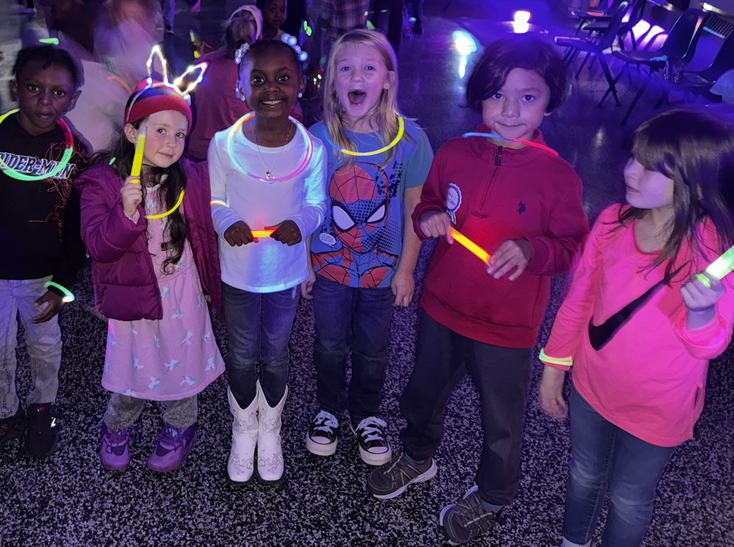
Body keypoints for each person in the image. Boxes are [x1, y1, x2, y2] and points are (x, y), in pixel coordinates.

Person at [365, 37, 589, 545]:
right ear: (479, 97)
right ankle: (417, 457)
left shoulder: (559, 178)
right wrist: (430, 218)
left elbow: (573, 246)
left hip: (507, 327)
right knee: (422, 394)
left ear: (550, 100)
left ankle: (491, 498)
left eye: (527, 98)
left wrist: (533, 251)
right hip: (441, 307)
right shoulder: (455, 151)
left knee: (501, 422)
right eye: (496, 96)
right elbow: (427, 205)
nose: (509, 111)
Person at [539, 107, 734, 547]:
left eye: (651, 168)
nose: (630, 171)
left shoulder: (715, 251)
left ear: (695, 183)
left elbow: (712, 344)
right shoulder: (611, 222)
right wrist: (554, 365)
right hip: (592, 385)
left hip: (659, 406)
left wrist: (702, 313)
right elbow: (578, 301)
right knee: (583, 473)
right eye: (633, 158)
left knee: (629, 497)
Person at [0, 46, 90, 463]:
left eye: (59, 93)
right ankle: (2, 412)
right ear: (15, 89)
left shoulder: (76, 154)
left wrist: (63, 282)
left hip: (42, 278)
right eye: (34, 88)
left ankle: (42, 406)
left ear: (74, 98)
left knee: (45, 347)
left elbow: (78, 226)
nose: (46, 101)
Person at [78, 83, 224, 474]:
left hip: (183, 295)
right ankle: (117, 425)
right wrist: (123, 215)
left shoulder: (189, 177)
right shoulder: (103, 183)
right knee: (133, 369)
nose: (171, 142)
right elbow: (96, 245)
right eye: (159, 130)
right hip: (134, 298)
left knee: (182, 366)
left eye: (179, 134)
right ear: (131, 132)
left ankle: (179, 427)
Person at [304, 30, 434, 466]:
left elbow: (416, 207)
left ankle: (366, 413)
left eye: (368, 67)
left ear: (387, 80)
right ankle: (328, 408)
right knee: (328, 342)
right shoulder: (316, 138)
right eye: (346, 68)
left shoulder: (410, 141)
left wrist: (407, 269)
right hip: (330, 269)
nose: (356, 76)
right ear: (331, 82)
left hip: (383, 271)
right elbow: (306, 204)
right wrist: (305, 261)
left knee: (373, 346)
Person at [209, 37, 327, 484]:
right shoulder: (225, 144)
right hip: (239, 273)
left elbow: (317, 202)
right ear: (241, 88)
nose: (271, 88)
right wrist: (228, 222)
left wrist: (302, 221)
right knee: (241, 354)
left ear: (300, 84)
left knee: (276, 353)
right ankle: (244, 427)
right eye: (257, 80)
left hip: (284, 274)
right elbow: (217, 201)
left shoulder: (312, 149)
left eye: (282, 78)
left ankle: (270, 428)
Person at [186, 6, 261, 162]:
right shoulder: (257, 73)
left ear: (226, 37)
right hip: (234, 157)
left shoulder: (203, 63)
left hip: (196, 152)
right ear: (256, 38)